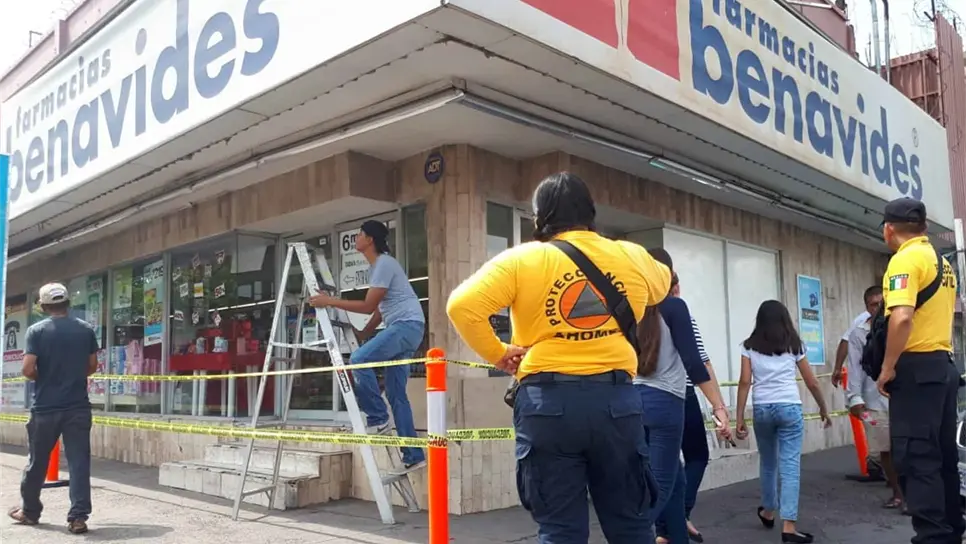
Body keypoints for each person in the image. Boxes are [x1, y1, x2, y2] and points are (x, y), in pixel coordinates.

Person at [446, 172, 670, 543]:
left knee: (560, 529)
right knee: (631, 526)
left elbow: (462, 306)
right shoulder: (630, 255)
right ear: (591, 212)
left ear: (540, 217)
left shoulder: (522, 260)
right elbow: (662, 283)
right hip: (616, 403)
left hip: (547, 405)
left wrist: (499, 355)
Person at [874, 198, 962, 544]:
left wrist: (887, 367)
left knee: (916, 457)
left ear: (888, 229)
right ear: (923, 227)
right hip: (943, 366)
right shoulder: (942, 263)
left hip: (916, 370)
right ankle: (950, 532)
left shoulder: (905, 260)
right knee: (942, 457)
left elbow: (903, 316)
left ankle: (932, 538)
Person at [309, 219, 426, 473]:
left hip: (405, 326)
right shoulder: (380, 267)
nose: (357, 238)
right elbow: (382, 310)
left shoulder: (383, 263)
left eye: (360, 234)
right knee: (397, 395)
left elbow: (367, 306)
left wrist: (329, 300)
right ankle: (413, 454)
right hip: (410, 327)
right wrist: (364, 333)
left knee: (359, 360)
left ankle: (377, 417)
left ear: (370, 239)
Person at [639, 254, 730, 544]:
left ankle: (676, 537)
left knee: (675, 482)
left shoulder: (631, 309)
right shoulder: (675, 307)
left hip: (632, 402)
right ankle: (629, 536)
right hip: (666, 403)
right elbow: (694, 361)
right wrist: (718, 406)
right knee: (661, 487)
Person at [735, 300, 832, 544]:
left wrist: (739, 418)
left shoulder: (749, 346)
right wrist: (823, 407)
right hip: (789, 407)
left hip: (763, 409)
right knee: (790, 466)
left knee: (768, 463)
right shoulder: (794, 345)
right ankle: (788, 526)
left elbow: (745, 382)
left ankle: (768, 511)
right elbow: (812, 381)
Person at [8, 283, 98, 534]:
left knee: (37, 461)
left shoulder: (37, 331)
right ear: (67, 303)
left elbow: (27, 369)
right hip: (78, 406)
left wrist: (47, 378)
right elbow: (92, 365)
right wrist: (71, 377)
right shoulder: (85, 330)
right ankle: (78, 517)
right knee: (79, 462)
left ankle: (30, 511)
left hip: (46, 408)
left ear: (44, 306)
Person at [655, 278, 717, 543]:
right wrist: (719, 404)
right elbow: (699, 358)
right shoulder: (679, 311)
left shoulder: (638, 311)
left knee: (665, 465)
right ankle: (681, 514)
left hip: (644, 396)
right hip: (682, 391)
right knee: (696, 456)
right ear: (674, 287)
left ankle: (663, 530)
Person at [844, 286, 903, 510]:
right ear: (866, 307)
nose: (878, 307)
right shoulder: (858, 332)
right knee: (884, 447)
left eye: (881, 303)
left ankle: (907, 492)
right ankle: (897, 493)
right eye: (872, 304)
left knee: (903, 446)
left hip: (901, 395)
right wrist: (855, 397)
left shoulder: (899, 326)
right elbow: (855, 367)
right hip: (873, 398)